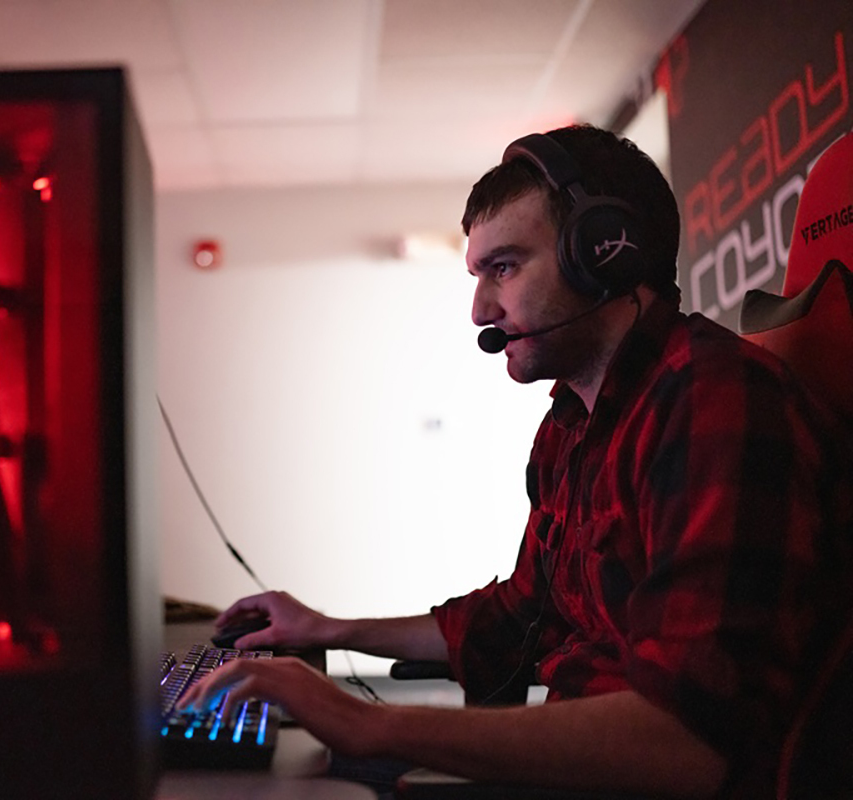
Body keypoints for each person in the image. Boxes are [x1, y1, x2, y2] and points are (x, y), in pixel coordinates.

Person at [177, 124, 853, 799]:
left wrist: (370, 726)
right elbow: (516, 618)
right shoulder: (569, 430)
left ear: (604, 254)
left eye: (503, 268)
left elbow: (686, 745)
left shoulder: (714, 403)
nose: (480, 310)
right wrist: (329, 628)